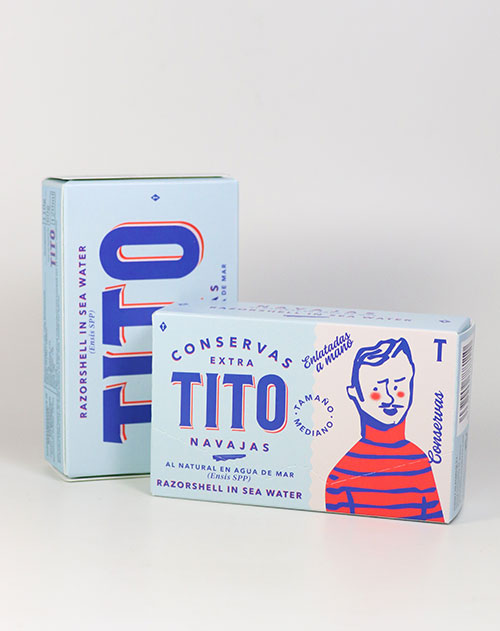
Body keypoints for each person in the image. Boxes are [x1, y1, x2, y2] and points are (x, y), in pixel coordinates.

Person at [325, 338, 444, 522]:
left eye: (398, 386)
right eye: (377, 389)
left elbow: (435, 523)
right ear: (355, 393)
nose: (390, 398)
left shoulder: (420, 462)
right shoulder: (341, 475)